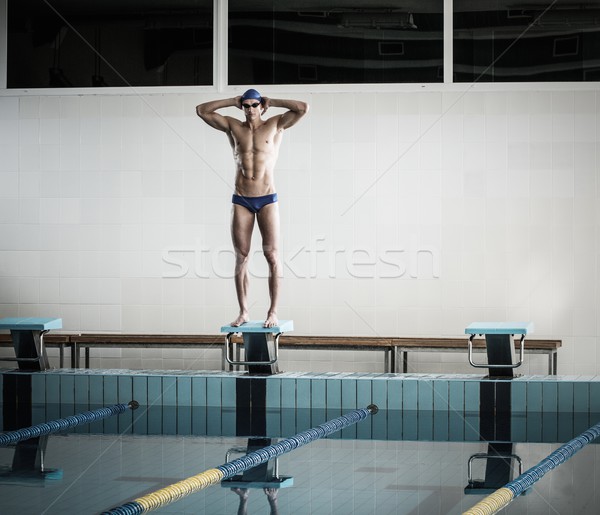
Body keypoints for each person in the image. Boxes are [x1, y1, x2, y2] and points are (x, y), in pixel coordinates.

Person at [196, 89, 309, 328]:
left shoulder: (276, 124)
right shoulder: (233, 126)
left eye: (253, 105)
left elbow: (302, 108)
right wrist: (231, 101)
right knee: (242, 256)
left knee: (272, 256)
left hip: (267, 198)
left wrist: (273, 101)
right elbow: (202, 110)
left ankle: (273, 312)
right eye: (245, 105)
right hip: (242, 200)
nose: (249, 109)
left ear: (261, 106)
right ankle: (244, 311)